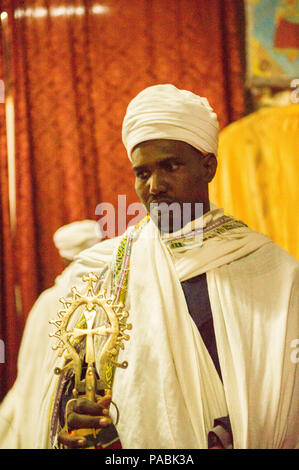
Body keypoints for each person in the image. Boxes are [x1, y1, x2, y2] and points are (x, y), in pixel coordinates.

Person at [1, 85, 298, 449]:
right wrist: (71, 417)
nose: (155, 186)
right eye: (142, 173)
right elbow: (68, 398)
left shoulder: (272, 272)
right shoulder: (103, 272)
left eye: (170, 166)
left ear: (208, 166)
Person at [0, 220, 103, 448]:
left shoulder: (45, 301)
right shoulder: (106, 297)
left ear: (62, 257)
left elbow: (28, 375)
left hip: (39, 415)